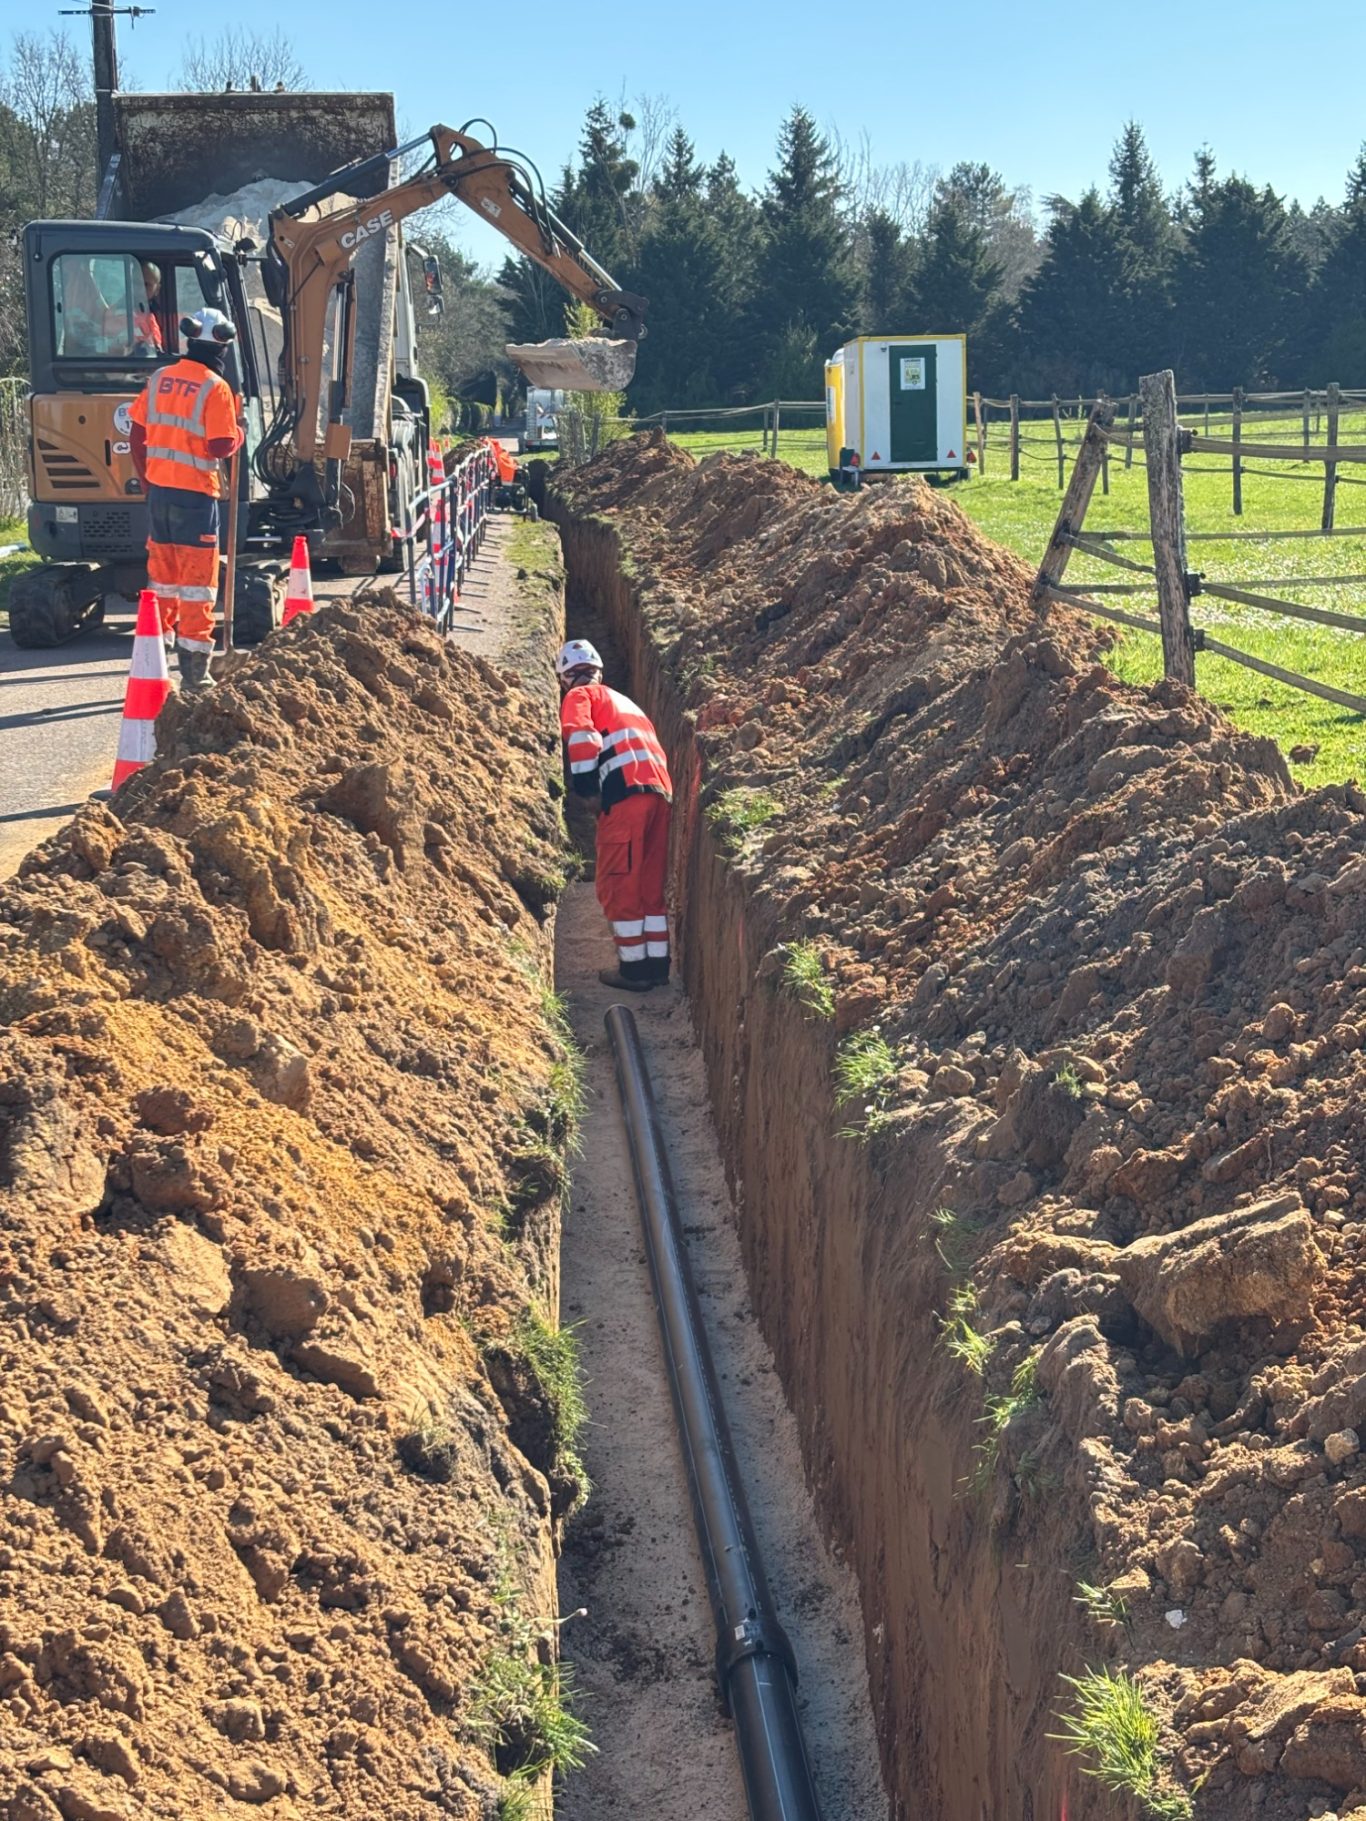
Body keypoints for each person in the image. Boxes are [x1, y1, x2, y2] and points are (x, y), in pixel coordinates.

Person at [127, 307, 243, 692]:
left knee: (163, 579)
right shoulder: (215, 387)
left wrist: (148, 482)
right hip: (195, 499)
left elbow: (137, 435)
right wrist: (239, 434)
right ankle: (195, 672)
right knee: (197, 585)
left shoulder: (160, 378)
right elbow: (221, 445)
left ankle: (153, 662)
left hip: (159, 495)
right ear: (221, 345)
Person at [557, 639, 673, 991]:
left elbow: (583, 738)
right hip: (659, 795)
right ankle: (657, 967)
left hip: (625, 797)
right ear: (599, 670)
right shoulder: (626, 702)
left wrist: (587, 790)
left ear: (564, 678)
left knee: (617, 884)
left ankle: (633, 971)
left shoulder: (580, 696)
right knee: (649, 886)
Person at [133, 262, 163, 357]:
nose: (141, 288)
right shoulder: (118, 313)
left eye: (146, 284)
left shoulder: (152, 314)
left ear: (157, 289)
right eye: (137, 283)